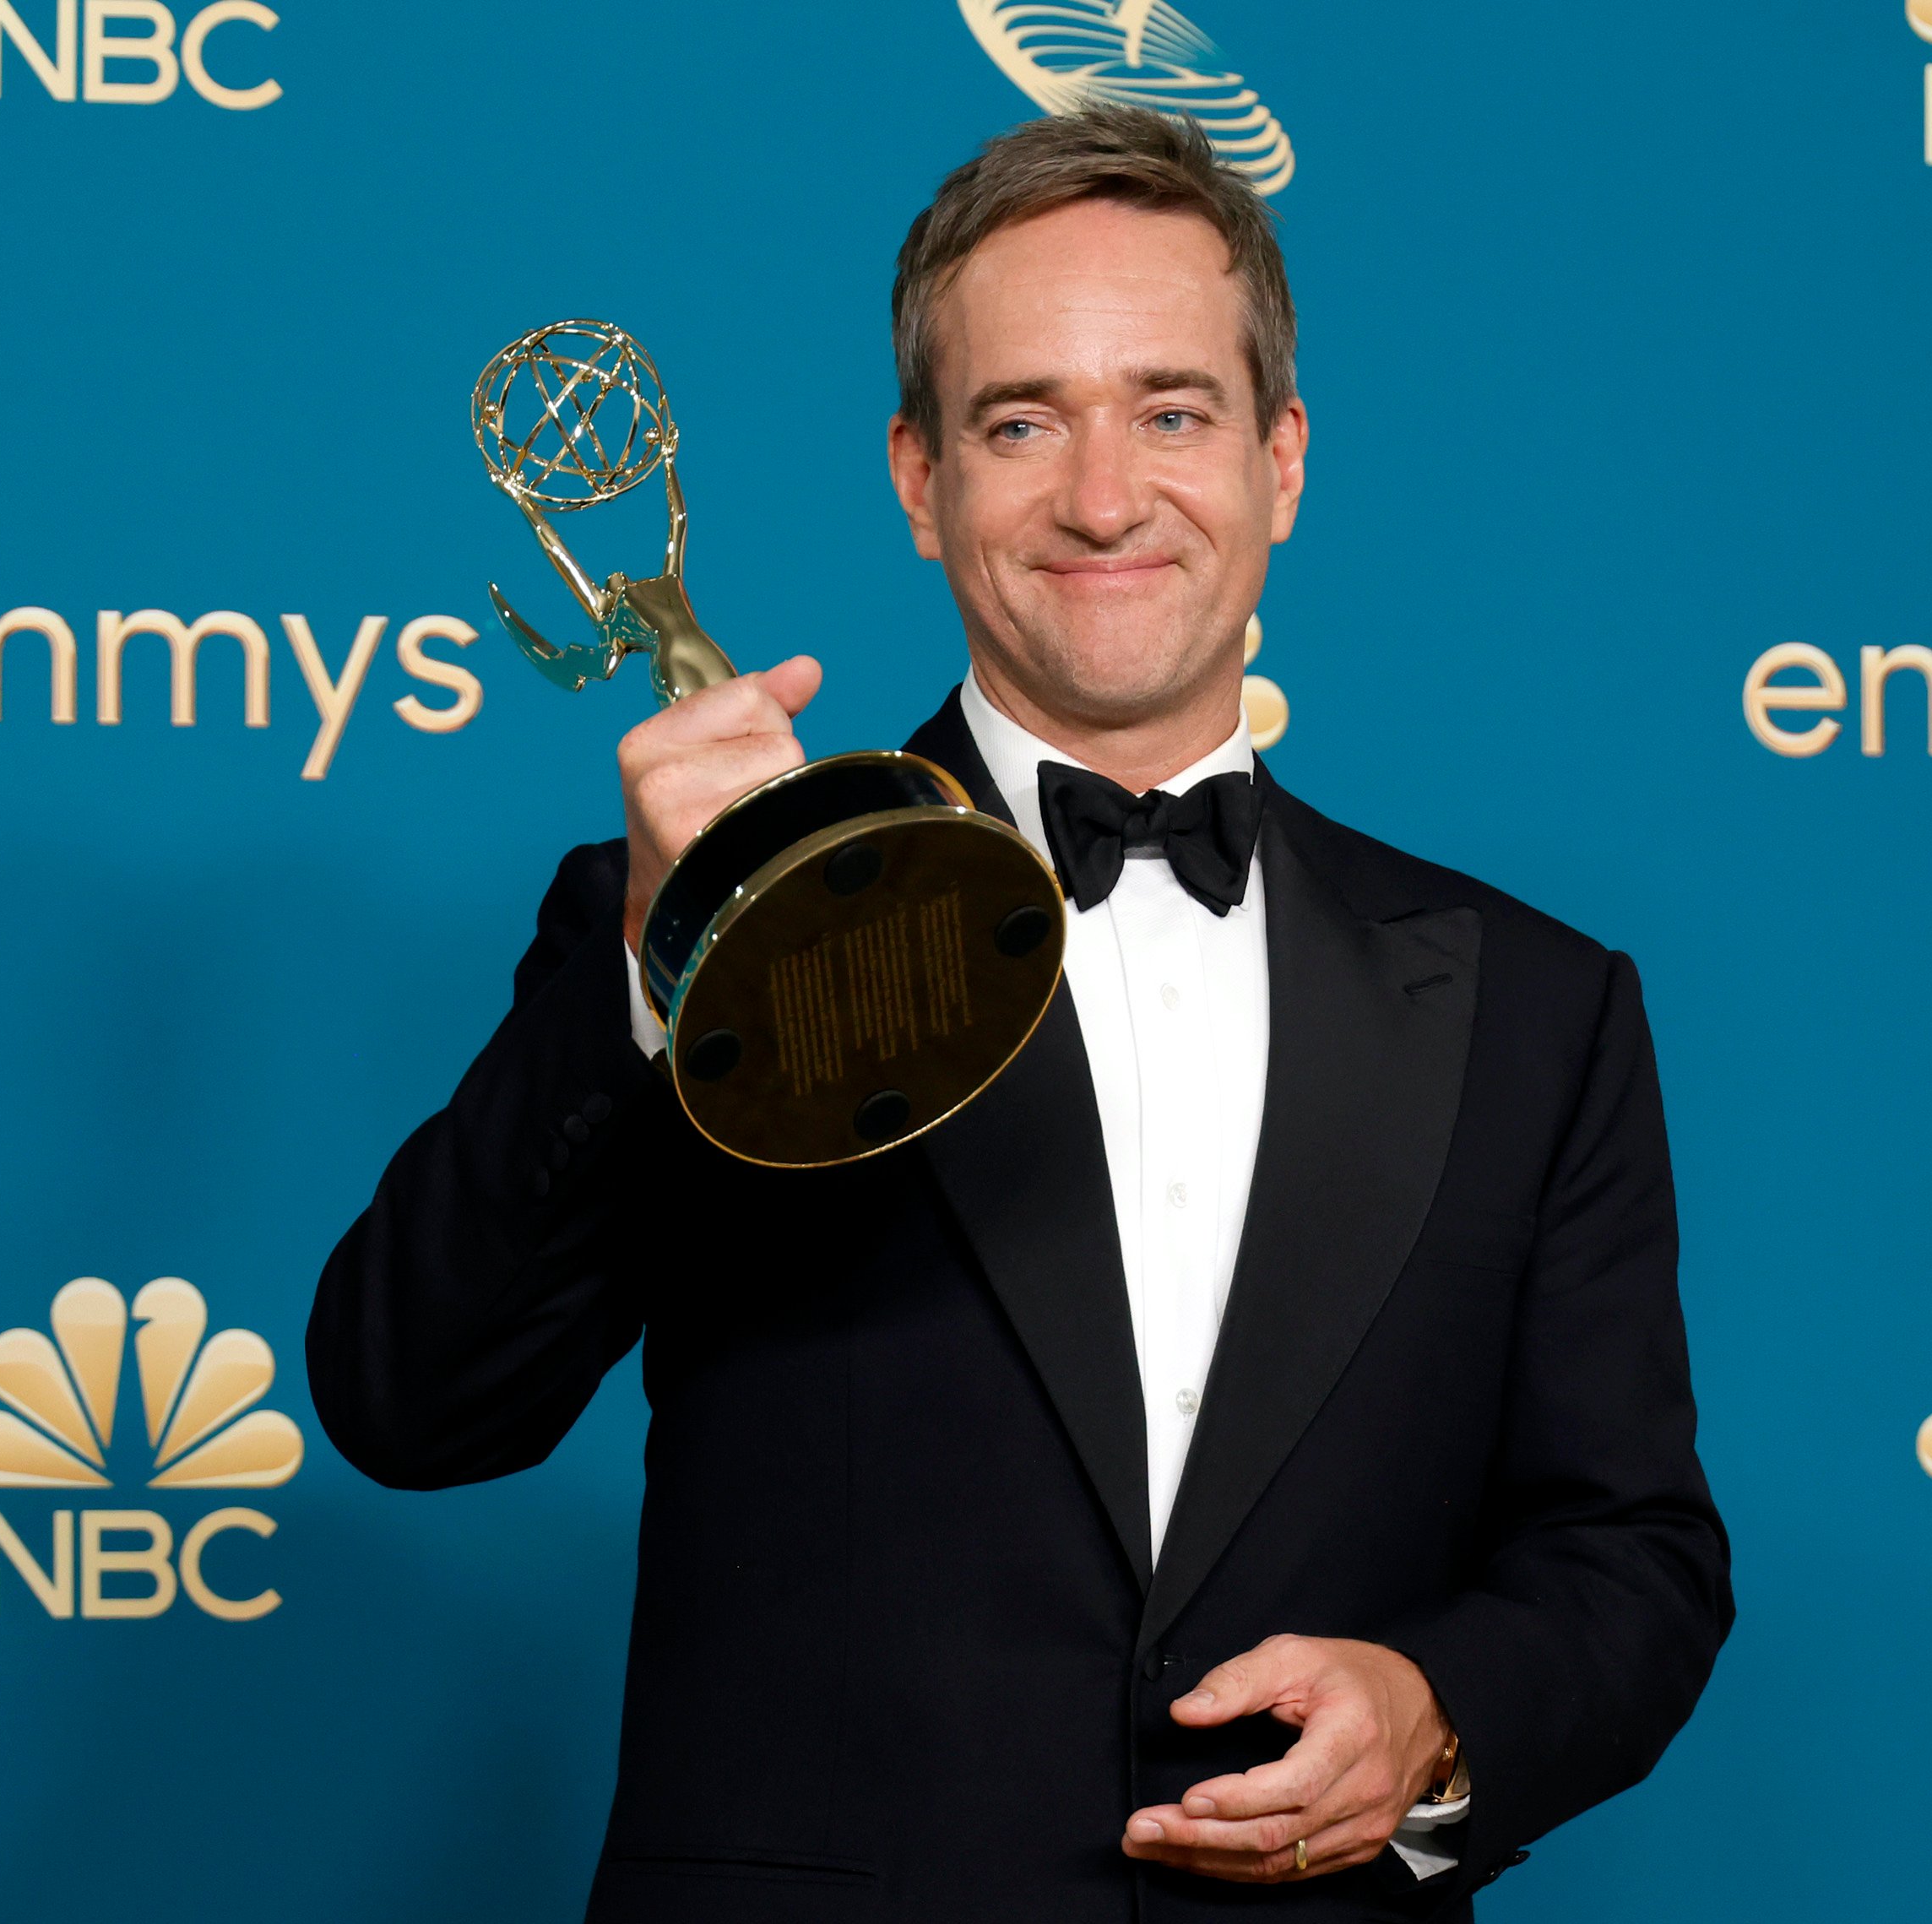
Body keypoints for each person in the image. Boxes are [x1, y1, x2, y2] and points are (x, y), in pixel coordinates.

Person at [309, 105, 1731, 1921]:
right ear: (917, 481)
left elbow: (1630, 1558)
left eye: (1171, 411)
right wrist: (658, 971)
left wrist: (1437, 1716)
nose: (1103, 497)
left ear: (1281, 461)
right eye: (1019, 422)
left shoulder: (1536, 1008)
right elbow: (409, 1404)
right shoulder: (705, 920)